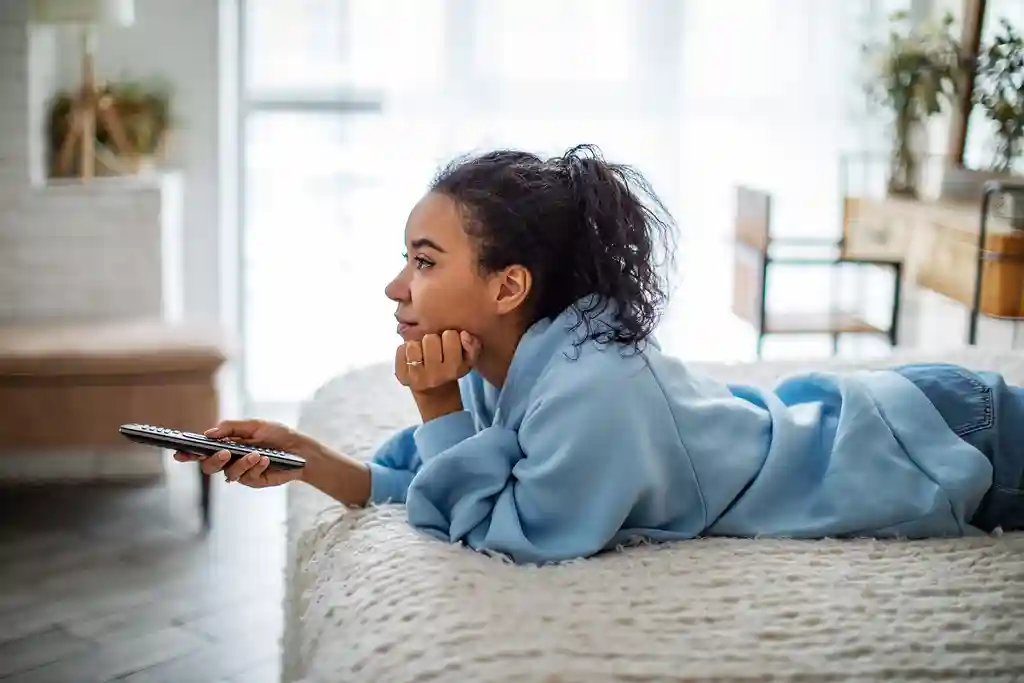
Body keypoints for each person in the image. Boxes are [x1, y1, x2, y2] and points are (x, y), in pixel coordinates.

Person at [175, 144, 1024, 565]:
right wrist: (312, 461)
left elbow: (517, 530)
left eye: (424, 262)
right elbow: (443, 481)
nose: (397, 289)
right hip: (911, 416)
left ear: (509, 286)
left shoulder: (593, 389)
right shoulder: (514, 360)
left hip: (945, 439)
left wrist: (434, 404)